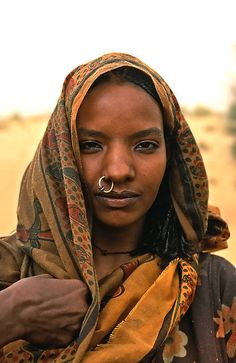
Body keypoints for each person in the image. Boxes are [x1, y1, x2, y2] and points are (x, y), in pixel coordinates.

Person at [0, 52, 235, 363]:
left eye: (145, 145)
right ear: (60, 157)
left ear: (173, 157)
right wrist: (12, 315)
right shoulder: (10, 273)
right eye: (90, 145)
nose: (119, 170)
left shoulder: (214, 287)